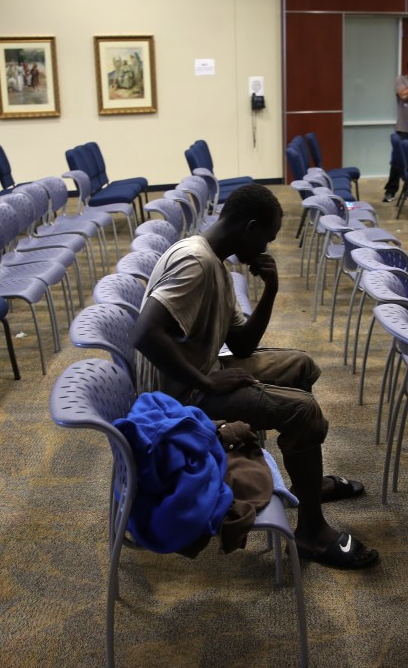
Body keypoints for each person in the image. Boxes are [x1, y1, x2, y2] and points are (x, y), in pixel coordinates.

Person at [132, 184, 380, 570]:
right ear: (249, 227)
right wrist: (207, 382)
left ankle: (305, 488)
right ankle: (311, 532)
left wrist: (271, 290)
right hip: (176, 401)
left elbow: (243, 344)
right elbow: (145, 334)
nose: (266, 248)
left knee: (300, 365)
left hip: (198, 376)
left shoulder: (217, 264)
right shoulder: (195, 262)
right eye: (266, 238)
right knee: (304, 411)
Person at [383, 56, 408, 203]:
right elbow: (403, 96)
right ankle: (390, 190)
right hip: (404, 129)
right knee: (397, 161)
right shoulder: (401, 80)